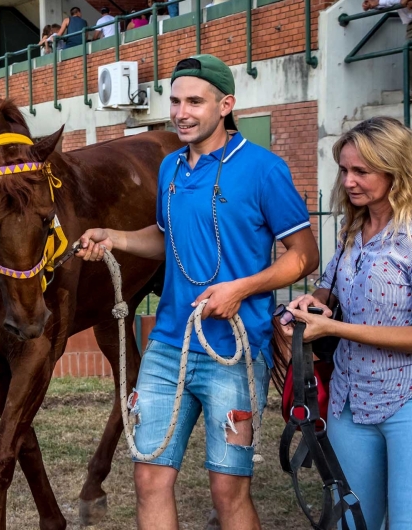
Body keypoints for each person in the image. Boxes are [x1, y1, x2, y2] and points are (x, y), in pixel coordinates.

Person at [77, 54, 319, 530]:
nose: (181, 112)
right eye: (175, 101)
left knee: (227, 490)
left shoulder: (263, 169)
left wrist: (241, 289)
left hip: (236, 351)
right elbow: (168, 238)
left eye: (195, 101)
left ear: (225, 104)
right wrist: (117, 237)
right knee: (148, 479)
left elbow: (304, 255)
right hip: (168, 347)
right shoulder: (169, 168)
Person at [283, 117, 412, 530]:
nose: (350, 181)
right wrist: (311, 305)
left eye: (362, 171)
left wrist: (335, 330)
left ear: (396, 170)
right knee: (352, 523)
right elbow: (330, 289)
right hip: (348, 401)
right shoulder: (352, 228)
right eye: (344, 170)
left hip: (405, 401)